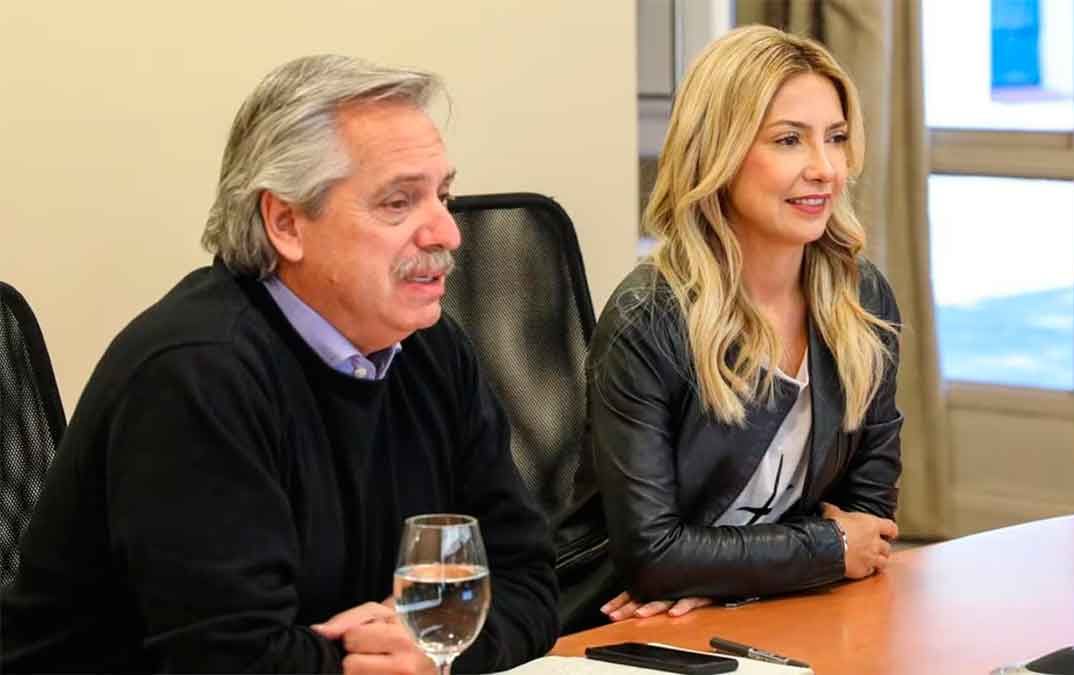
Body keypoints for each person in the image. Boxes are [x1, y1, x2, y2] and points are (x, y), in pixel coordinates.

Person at [1, 55, 558, 673]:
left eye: (443, 196)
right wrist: (404, 652)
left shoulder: (431, 348)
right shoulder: (197, 374)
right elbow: (229, 660)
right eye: (399, 202)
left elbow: (529, 580)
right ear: (286, 223)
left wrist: (436, 651)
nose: (447, 233)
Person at [589, 25, 903, 622]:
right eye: (789, 140)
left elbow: (869, 524)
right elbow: (653, 556)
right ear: (719, 152)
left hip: (776, 610)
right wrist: (820, 550)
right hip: (627, 630)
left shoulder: (861, 300)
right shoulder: (649, 318)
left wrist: (728, 574)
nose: (825, 168)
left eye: (836, 138)